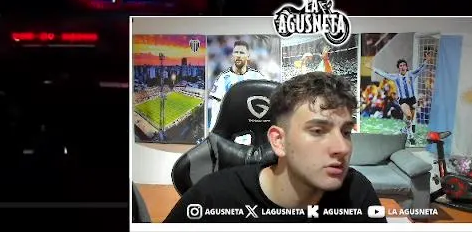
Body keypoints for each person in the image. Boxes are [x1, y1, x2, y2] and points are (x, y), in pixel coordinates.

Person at [163, 72, 384, 224]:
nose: (342, 148)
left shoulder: (356, 193)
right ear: (278, 141)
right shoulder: (212, 197)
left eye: (346, 132)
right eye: (318, 131)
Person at [208, 41, 268, 131]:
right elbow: (216, 106)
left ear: (248, 56)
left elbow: (265, 101)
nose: (238, 56)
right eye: (236, 52)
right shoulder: (223, 78)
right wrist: (213, 130)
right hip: (230, 129)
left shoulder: (258, 77)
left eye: (242, 53)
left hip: (252, 128)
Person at [373, 58, 427, 141]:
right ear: (399, 68)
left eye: (404, 65)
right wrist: (373, 68)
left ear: (407, 67)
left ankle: (405, 129)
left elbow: (420, 69)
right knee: (408, 116)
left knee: (410, 120)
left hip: (412, 100)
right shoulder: (396, 77)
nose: (402, 67)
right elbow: (384, 74)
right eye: (400, 66)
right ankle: (411, 136)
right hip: (403, 100)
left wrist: (426, 61)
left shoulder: (411, 74)